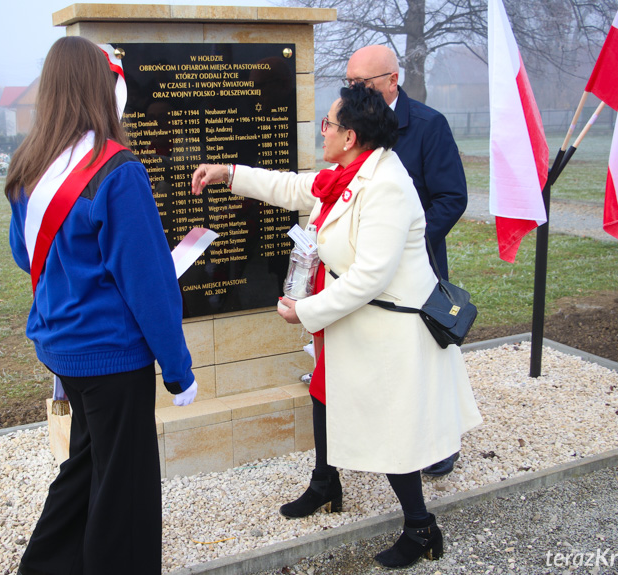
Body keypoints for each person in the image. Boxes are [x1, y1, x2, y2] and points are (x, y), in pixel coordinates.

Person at [192, 84, 482, 569]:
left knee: (394, 433)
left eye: (327, 124)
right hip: (355, 327)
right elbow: (290, 186)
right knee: (324, 395)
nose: (320, 131)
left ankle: (422, 528)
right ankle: (326, 485)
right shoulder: (347, 173)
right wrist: (228, 173)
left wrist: (304, 312)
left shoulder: (386, 185)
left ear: (350, 136)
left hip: (393, 334)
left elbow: (371, 277)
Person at [5, 36, 197, 575]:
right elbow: (150, 284)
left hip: (62, 348)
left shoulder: (31, 164)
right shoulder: (117, 171)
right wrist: (179, 371)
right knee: (125, 491)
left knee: (87, 467)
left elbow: (26, 256)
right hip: (113, 357)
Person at [346, 44, 468, 477]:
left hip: (418, 268)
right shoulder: (354, 129)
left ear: (392, 80)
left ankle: (441, 444)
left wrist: (404, 240)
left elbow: (452, 198)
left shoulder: (430, 125)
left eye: (362, 83)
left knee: (429, 361)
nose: (354, 91)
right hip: (371, 267)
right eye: (349, 83)